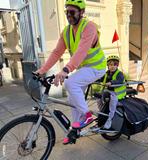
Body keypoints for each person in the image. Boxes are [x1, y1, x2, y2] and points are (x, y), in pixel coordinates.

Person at [35, 0, 106, 143]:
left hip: (97, 67)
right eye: (67, 12)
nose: (69, 15)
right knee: (73, 99)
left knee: (70, 83)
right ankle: (74, 132)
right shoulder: (66, 32)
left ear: (81, 12)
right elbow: (56, 53)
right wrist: (41, 71)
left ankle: (87, 115)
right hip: (84, 69)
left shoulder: (89, 27)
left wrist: (66, 70)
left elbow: (81, 51)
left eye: (72, 12)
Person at [101, 55, 126, 129]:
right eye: (111, 65)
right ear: (108, 66)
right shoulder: (107, 73)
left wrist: (111, 82)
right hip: (109, 91)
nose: (112, 66)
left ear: (117, 66)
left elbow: (119, 81)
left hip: (117, 94)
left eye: (115, 65)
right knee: (99, 98)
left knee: (112, 105)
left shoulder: (119, 73)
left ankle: (110, 119)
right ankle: (103, 113)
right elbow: (101, 78)